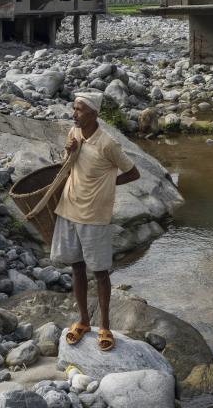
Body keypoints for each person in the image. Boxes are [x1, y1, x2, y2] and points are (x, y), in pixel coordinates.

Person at [51, 91, 140, 351]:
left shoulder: (108, 143)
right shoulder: (74, 133)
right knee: (77, 267)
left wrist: (107, 186)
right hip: (68, 209)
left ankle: (105, 326)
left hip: (94, 215)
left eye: (79, 109)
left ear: (93, 113)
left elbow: (132, 172)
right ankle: (83, 321)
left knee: (100, 272)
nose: (74, 113)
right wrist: (68, 153)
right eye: (74, 108)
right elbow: (66, 168)